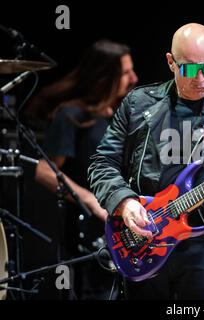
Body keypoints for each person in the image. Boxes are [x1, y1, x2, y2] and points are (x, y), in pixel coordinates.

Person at [88, 23, 204, 300]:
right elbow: (102, 162)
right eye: (190, 69)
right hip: (143, 241)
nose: (201, 79)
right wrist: (124, 201)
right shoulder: (138, 104)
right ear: (171, 62)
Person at [30, 39, 138, 299]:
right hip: (88, 233)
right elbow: (44, 170)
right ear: (105, 75)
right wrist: (89, 198)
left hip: (127, 232)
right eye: (125, 72)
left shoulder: (123, 115)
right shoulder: (72, 115)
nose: (134, 78)